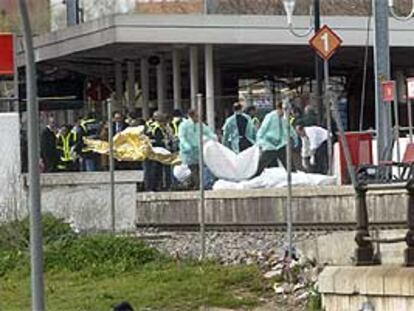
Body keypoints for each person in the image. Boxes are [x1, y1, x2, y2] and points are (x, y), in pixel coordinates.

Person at [256, 102, 298, 175]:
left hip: (281, 143)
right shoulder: (270, 117)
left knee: (289, 163)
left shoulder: (285, 117)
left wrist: (295, 138)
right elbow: (262, 129)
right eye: (284, 110)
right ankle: (255, 176)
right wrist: (260, 141)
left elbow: (290, 128)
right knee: (262, 163)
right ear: (278, 109)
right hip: (270, 144)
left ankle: (293, 176)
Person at [178, 109, 217, 189]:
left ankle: (195, 184)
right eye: (196, 116)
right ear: (191, 116)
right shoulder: (184, 125)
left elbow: (208, 132)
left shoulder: (200, 125)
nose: (198, 117)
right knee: (193, 168)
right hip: (188, 151)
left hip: (198, 150)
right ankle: (197, 185)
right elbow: (182, 137)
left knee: (199, 168)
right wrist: (187, 146)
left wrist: (213, 137)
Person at [144, 111, 171, 191]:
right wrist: (164, 142)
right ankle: (152, 187)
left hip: (158, 151)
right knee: (153, 170)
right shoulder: (155, 127)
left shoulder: (153, 125)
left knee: (157, 170)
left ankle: (155, 186)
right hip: (155, 151)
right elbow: (156, 139)